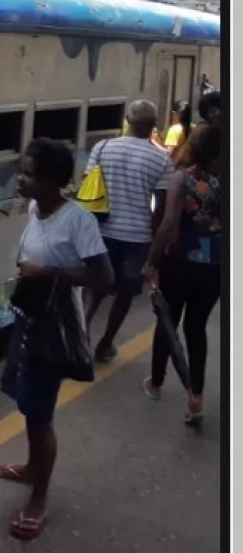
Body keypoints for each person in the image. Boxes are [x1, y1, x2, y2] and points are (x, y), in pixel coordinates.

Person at [0, 138, 113, 541]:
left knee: (40, 413)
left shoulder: (78, 220)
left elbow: (104, 278)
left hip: (54, 327)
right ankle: (31, 468)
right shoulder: (31, 208)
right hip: (29, 317)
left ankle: (39, 498)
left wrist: (49, 273)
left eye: (28, 173)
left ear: (50, 181)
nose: (20, 179)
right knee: (28, 404)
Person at [142, 123, 221, 426]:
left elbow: (168, 223)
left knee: (167, 323)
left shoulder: (182, 179)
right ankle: (196, 397)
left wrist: (152, 261)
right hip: (216, 266)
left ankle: (157, 383)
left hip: (181, 263)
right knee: (197, 328)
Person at [84, 100, 172, 363]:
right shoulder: (161, 159)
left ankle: (81, 335)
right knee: (124, 294)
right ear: (153, 125)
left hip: (100, 232)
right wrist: (156, 253)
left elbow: (88, 187)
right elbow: (160, 210)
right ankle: (105, 344)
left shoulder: (103, 147)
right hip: (137, 237)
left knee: (94, 288)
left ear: (127, 121)